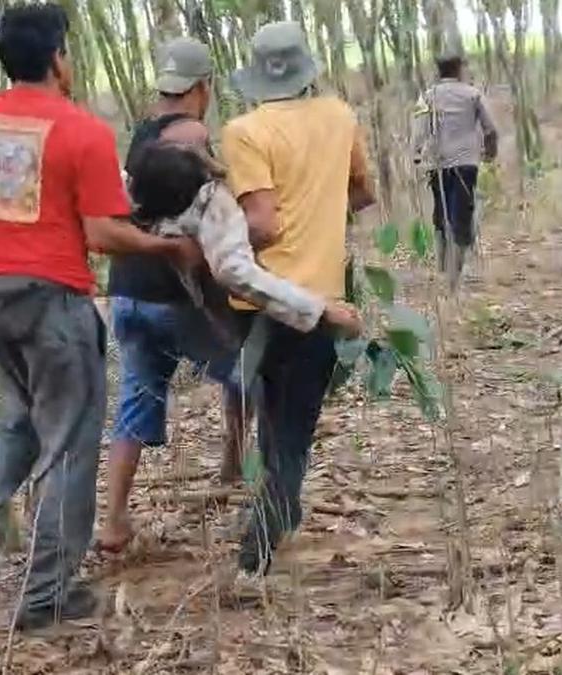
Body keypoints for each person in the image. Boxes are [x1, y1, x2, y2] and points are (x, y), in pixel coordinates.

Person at [0, 3, 201, 630]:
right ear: (58, 56)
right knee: (66, 449)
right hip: (51, 305)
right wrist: (167, 246)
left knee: (10, 431)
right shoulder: (81, 130)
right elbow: (103, 234)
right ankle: (44, 597)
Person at [98, 143, 366, 551]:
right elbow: (238, 273)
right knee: (259, 384)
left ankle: (121, 516)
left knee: (139, 402)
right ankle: (270, 498)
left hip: (136, 303)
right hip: (189, 310)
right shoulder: (210, 207)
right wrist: (321, 310)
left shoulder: (139, 192)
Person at [221, 21, 375, 577]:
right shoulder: (340, 116)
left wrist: (220, 234)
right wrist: (323, 211)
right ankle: (279, 512)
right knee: (291, 423)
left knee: (279, 423)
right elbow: (363, 192)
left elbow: (260, 226)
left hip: (262, 304)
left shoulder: (243, 131)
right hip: (320, 301)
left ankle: (257, 548)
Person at [100, 37, 241, 552]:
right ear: (203, 88)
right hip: (174, 292)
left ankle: (114, 518)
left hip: (128, 290)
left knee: (136, 396)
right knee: (250, 370)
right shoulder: (194, 133)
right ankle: (241, 467)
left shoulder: (140, 136)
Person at [413, 54, 499, 289]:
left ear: (439, 72)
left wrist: (417, 154)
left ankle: (444, 268)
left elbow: (419, 130)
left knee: (442, 213)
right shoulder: (472, 94)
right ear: (460, 70)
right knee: (461, 213)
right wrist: (490, 152)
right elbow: (491, 129)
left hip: (437, 164)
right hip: (465, 163)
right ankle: (454, 275)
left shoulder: (427, 97)